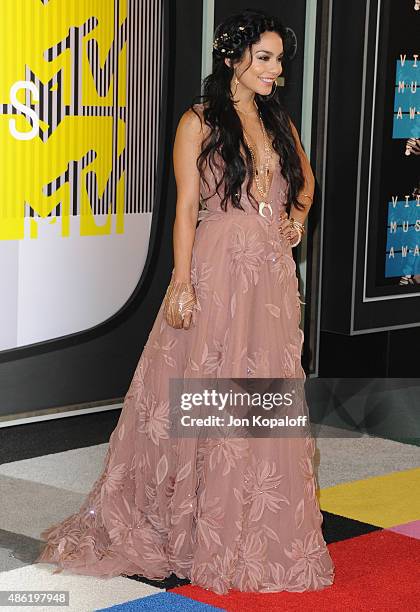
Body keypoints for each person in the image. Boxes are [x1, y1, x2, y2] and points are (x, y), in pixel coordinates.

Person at [35, 9, 335, 595]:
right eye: (266, 58)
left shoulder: (276, 119)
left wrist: (295, 220)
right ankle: (189, 518)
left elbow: (305, 179)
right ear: (232, 59)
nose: (276, 71)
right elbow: (185, 206)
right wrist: (181, 281)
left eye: (279, 61)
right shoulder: (198, 121)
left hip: (270, 278)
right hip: (218, 267)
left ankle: (246, 516)